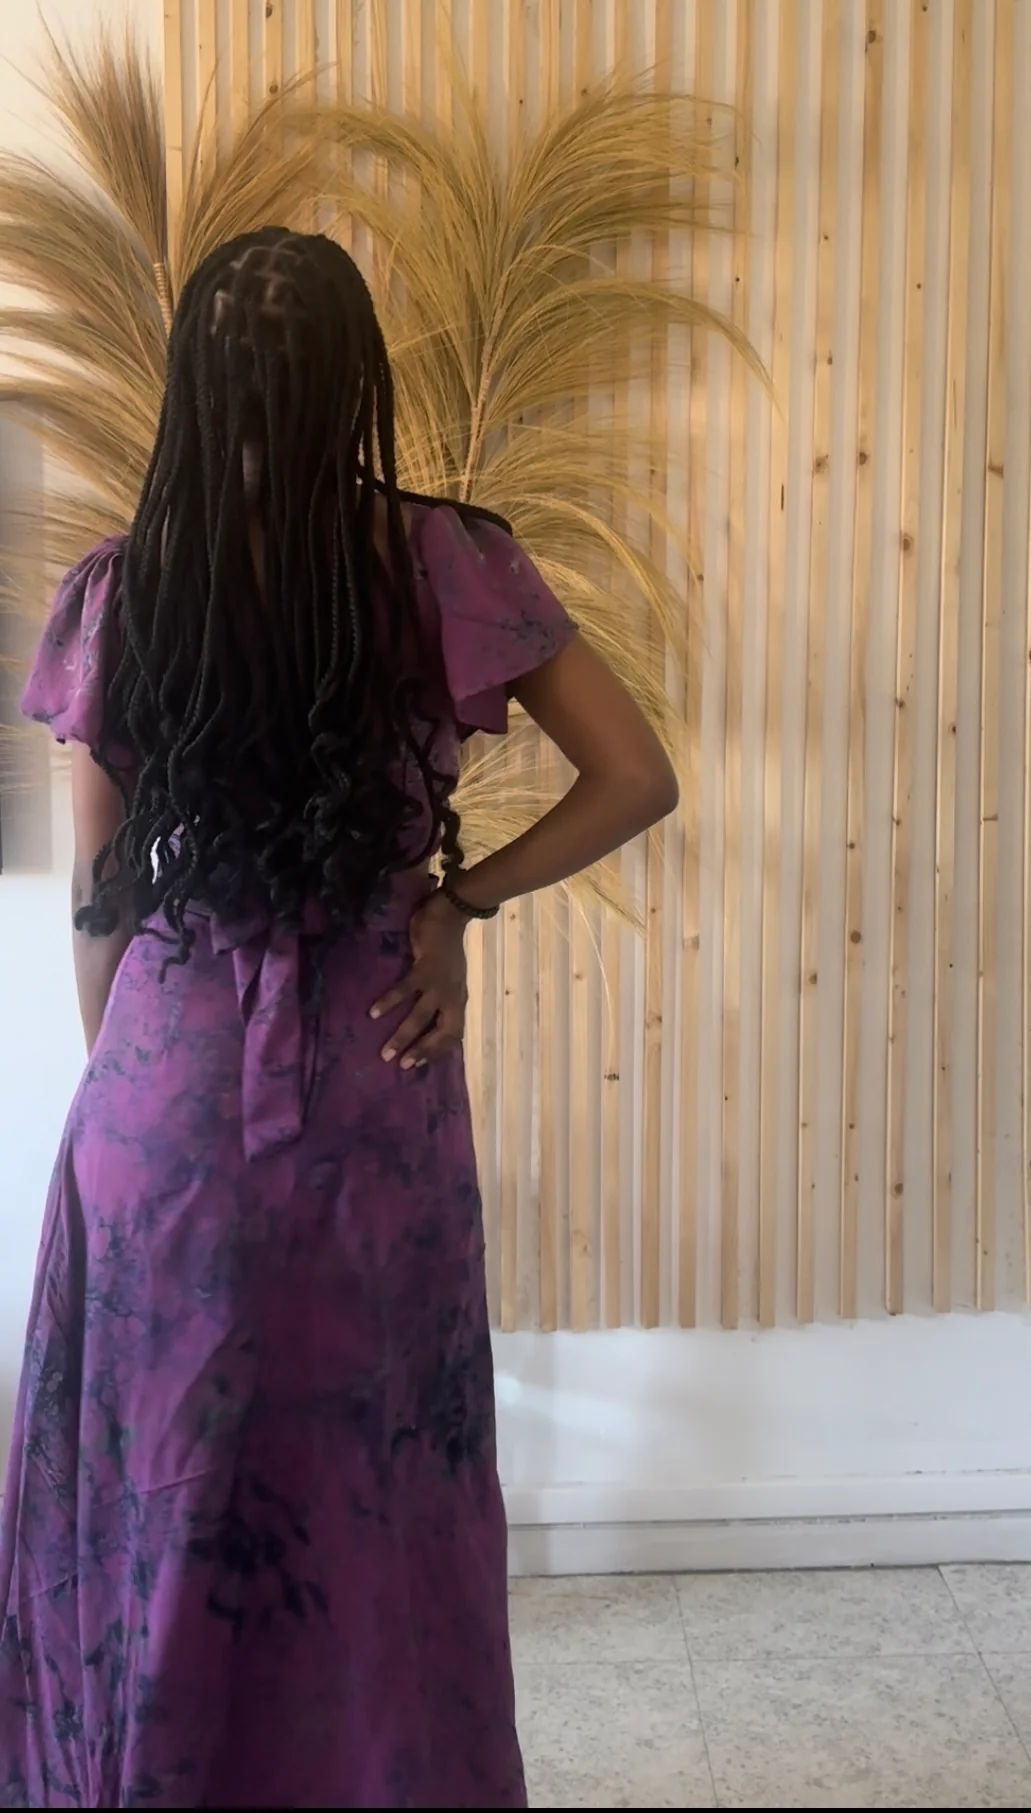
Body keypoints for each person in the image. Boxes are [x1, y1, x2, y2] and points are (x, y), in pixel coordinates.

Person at [0, 227, 678, 1809]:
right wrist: (457, 905)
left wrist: (127, 1087)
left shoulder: (123, 589)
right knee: (382, 1478)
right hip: (375, 1074)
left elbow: (100, 890)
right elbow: (634, 777)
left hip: (162, 1094)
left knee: (166, 1475)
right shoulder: (445, 563)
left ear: (191, 381)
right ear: (355, 381)